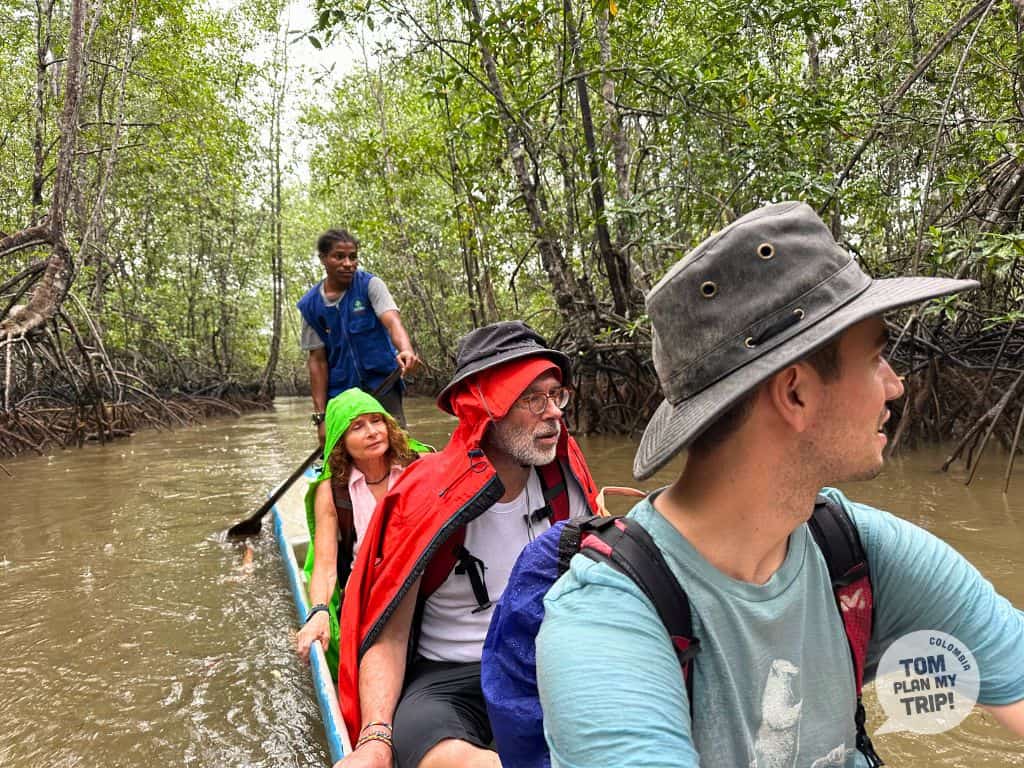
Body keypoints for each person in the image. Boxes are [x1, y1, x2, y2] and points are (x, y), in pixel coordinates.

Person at [535, 202, 1024, 766]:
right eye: (875, 358)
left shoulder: (853, 550)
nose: (894, 387)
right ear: (795, 394)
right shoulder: (605, 626)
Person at [334, 321, 599, 768]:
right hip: (451, 678)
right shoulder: (425, 497)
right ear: (484, 410)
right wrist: (375, 739)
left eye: (556, 395)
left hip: (548, 655)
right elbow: (390, 635)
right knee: (430, 743)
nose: (554, 412)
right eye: (533, 398)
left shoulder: (564, 472)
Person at [294, 388, 431, 674]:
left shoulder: (419, 466)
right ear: (341, 441)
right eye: (357, 426)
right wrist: (318, 611)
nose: (372, 432)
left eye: (377, 421)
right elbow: (325, 565)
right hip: (369, 594)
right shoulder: (332, 490)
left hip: (426, 586)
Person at [298, 228, 419, 436]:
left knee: (397, 442)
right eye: (339, 257)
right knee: (347, 451)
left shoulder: (370, 285)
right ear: (323, 259)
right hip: (342, 393)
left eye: (353, 257)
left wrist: (406, 350)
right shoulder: (310, 305)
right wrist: (321, 417)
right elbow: (317, 361)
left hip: (383, 383)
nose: (348, 263)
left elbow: (392, 321)